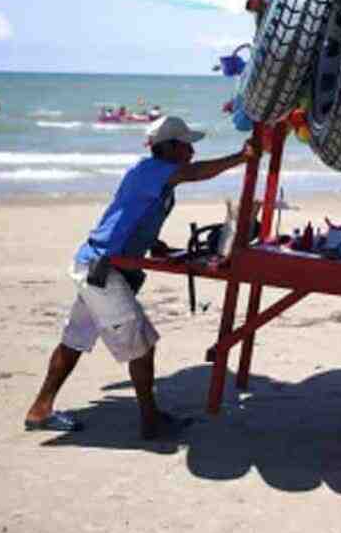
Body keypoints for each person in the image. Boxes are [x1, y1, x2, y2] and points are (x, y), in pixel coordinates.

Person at [24, 116, 259, 439]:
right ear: (171, 147)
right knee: (143, 345)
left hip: (96, 264)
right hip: (104, 269)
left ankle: (40, 409)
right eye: (187, 144)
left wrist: (153, 244)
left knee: (74, 340)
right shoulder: (151, 170)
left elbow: (132, 214)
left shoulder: (154, 177)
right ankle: (151, 422)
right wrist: (241, 157)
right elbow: (194, 173)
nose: (191, 150)